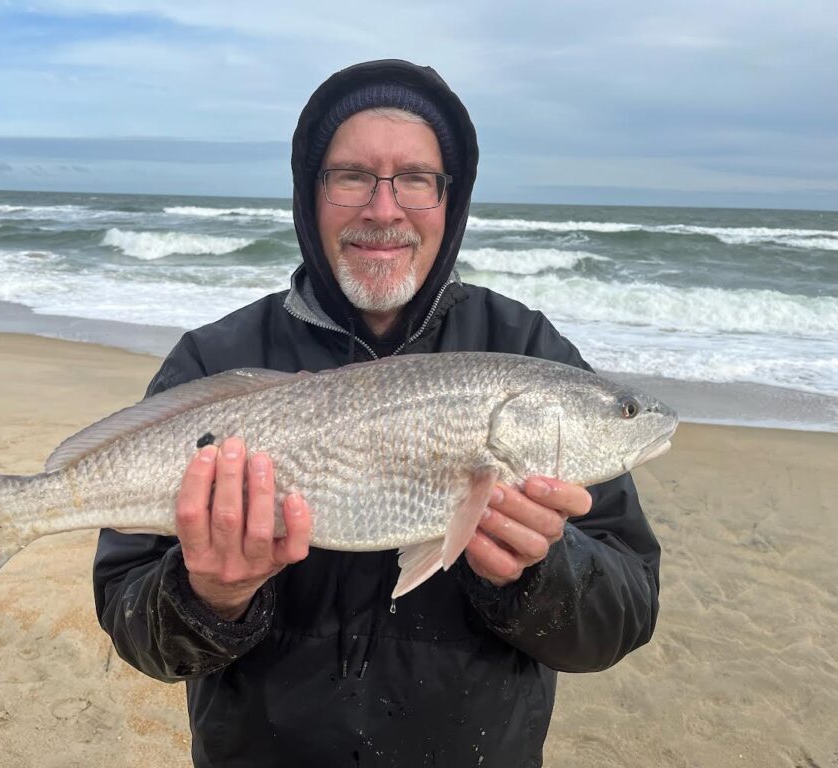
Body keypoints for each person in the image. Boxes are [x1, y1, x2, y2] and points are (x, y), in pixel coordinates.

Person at [93, 59, 660, 767]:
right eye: (352, 176)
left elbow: (627, 614)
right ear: (311, 193)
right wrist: (208, 596)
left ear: (451, 199)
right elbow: (132, 618)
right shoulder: (214, 361)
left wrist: (540, 572)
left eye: (416, 179)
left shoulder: (530, 351)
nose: (384, 209)